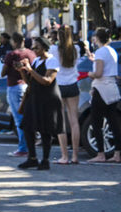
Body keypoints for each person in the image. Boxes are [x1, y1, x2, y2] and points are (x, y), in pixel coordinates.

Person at [16, 37, 63, 170]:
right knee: (27, 127)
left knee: (45, 130)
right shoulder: (36, 61)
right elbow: (31, 82)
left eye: (36, 47)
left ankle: (45, 160)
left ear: (44, 47)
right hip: (34, 97)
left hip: (48, 99)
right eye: (33, 47)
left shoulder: (52, 60)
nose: (34, 50)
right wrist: (22, 71)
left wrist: (30, 70)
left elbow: (47, 81)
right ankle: (32, 158)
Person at [87, 27, 121, 163]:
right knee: (113, 122)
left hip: (101, 88)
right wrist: (94, 61)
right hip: (112, 87)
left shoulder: (100, 51)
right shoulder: (111, 50)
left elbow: (99, 73)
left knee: (96, 121)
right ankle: (117, 154)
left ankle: (100, 154)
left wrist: (90, 74)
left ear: (97, 38)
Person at [2, 32, 36, 157]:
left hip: (14, 86)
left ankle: (23, 147)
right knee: (27, 117)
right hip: (27, 85)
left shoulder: (12, 55)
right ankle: (29, 145)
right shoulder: (31, 53)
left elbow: (3, 72)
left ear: (14, 42)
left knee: (19, 118)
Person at [51, 25, 81, 164]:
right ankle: (75, 156)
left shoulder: (53, 50)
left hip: (59, 85)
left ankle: (64, 156)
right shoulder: (76, 49)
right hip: (73, 85)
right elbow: (78, 65)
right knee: (74, 121)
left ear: (59, 35)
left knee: (60, 122)